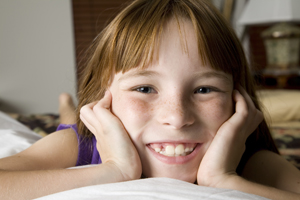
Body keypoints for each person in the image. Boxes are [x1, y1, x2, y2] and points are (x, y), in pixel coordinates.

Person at [1, 0, 300, 199]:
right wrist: (113, 170)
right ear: (106, 98)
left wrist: (225, 178)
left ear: (239, 100)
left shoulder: (249, 159)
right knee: (68, 119)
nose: (177, 117)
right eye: (145, 89)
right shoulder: (80, 144)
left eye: (204, 89)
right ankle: (67, 105)